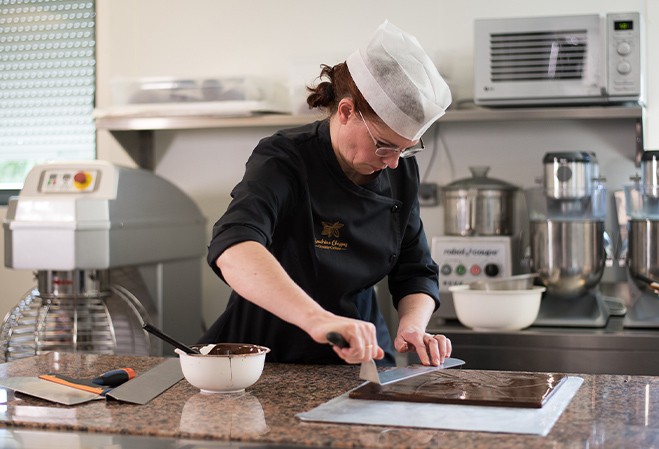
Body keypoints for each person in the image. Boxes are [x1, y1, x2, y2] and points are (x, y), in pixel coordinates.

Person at [199, 21, 453, 367]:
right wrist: (318, 319)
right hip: (265, 359)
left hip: (363, 360)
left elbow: (416, 269)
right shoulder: (285, 158)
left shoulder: (399, 169)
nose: (393, 163)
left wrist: (413, 324)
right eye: (383, 146)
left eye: (406, 150)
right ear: (346, 111)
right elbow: (233, 247)